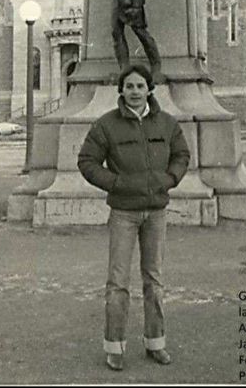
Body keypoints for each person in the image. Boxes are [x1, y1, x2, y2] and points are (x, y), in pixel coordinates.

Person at [77, 64, 190, 371]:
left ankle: (156, 342)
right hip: (123, 213)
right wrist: (116, 183)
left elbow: (182, 154)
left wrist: (170, 179)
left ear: (149, 90)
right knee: (117, 282)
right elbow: (87, 161)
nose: (135, 91)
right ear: (121, 90)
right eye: (130, 86)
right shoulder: (106, 125)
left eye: (141, 86)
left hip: (156, 212)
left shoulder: (166, 123)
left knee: (154, 280)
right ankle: (114, 347)